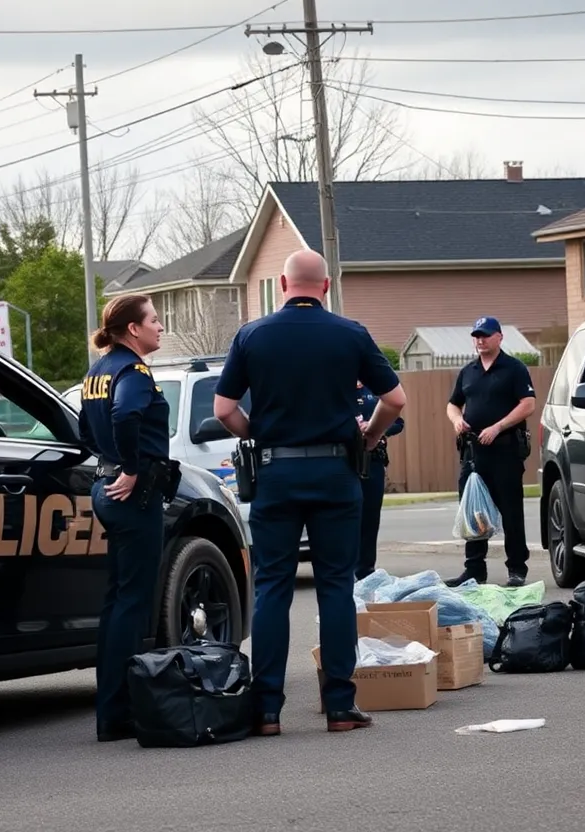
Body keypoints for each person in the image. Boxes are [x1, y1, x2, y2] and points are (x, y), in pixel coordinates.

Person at [213, 250, 406, 736]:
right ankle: (340, 705)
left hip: (276, 475)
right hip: (336, 473)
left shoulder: (252, 335)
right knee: (336, 586)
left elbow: (223, 409)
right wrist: (370, 436)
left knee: (272, 587)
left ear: (282, 284)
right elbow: (394, 399)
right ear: (325, 286)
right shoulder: (350, 333)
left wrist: (257, 433)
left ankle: (267, 708)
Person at [79, 293, 170, 740]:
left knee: (118, 602)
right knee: (133, 604)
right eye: (154, 320)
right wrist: (133, 468)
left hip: (104, 486)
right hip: (131, 494)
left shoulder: (97, 371)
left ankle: (109, 709)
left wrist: (111, 462)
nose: (160, 326)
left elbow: (83, 428)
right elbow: (125, 414)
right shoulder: (132, 371)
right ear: (133, 329)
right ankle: (120, 713)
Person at [444, 316, 536, 588]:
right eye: (476, 336)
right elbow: (453, 405)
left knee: (511, 511)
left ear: (499, 337)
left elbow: (528, 404)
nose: (480, 340)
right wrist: (457, 420)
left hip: (505, 450)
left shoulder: (514, 368)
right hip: (473, 453)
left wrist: (498, 427)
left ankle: (516, 569)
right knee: (472, 510)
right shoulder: (468, 371)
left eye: (485, 335)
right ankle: (474, 570)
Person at [355, 381, 405, 581]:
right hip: (346, 461)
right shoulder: (337, 387)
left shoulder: (374, 391)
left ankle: (366, 570)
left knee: (370, 517)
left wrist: (378, 428)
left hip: (373, 459)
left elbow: (398, 423)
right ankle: (347, 569)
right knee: (348, 517)